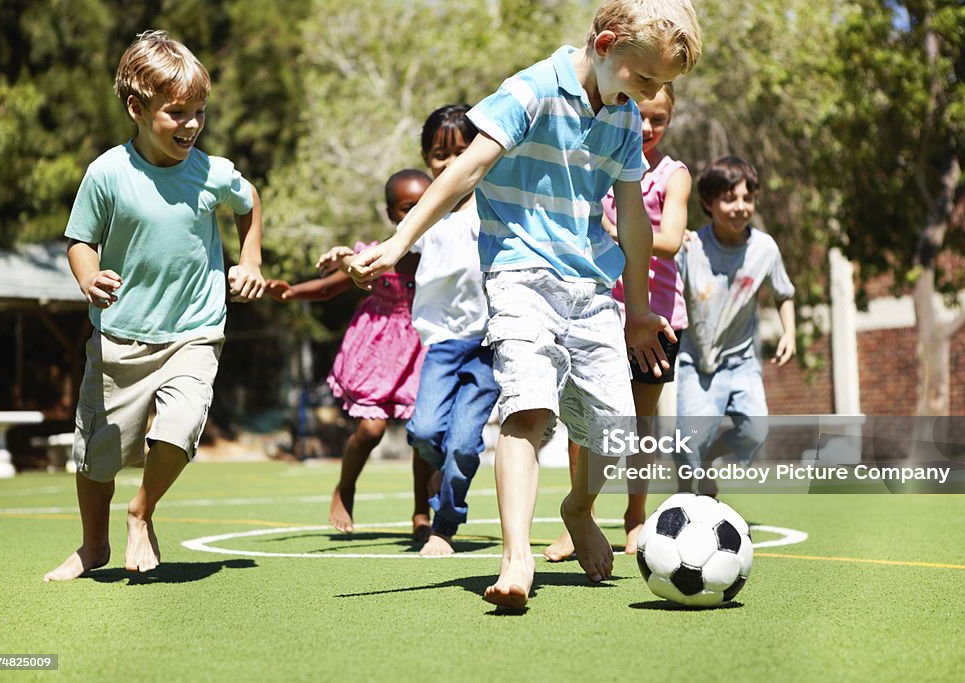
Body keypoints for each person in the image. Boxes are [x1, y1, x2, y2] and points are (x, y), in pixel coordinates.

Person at [348, 0, 702, 607]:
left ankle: (578, 507)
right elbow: (465, 171)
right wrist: (399, 240)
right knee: (528, 409)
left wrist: (639, 310)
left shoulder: (620, 117)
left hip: (592, 285)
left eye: (662, 86)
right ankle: (516, 557)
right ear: (606, 43)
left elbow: (637, 225)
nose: (651, 96)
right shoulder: (532, 90)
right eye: (645, 79)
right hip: (518, 275)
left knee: (612, 429)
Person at [45, 30, 265, 581]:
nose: (191, 125)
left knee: (181, 426)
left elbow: (250, 200)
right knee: (99, 456)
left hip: (195, 328)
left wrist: (251, 259)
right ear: (137, 109)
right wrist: (89, 278)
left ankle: (141, 511)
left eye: (200, 113)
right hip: (122, 334)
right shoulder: (107, 173)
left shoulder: (212, 172)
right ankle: (93, 546)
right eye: (177, 113)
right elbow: (79, 240)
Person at [328, 105, 500, 557]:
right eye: (441, 154)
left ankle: (443, 524)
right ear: (427, 158)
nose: (452, 162)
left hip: (487, 344)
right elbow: (391, 249)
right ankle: (434, 493)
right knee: (424, 433)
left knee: (464, 444)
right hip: (440, 344)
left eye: (463, 152)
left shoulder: (495, 206)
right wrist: (351, 258)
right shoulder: (427, 213)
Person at [545, 82, 691, 561]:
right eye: (641, 116)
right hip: (595, 311)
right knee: (583, 421)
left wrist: (611, 229)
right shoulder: (604, 166)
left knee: (641, 423)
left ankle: (635, 516)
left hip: (656, 318)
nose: (648, 128)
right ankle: (578, 519)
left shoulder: (673, 175)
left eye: (660, 119)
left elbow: (669, 239)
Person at [265, 170, 436, 540]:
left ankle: (421, 512)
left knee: (424, 433)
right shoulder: (378, 254)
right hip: (377, 348)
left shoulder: (440, 254)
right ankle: (346, 487)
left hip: (422, 347)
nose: (417, 214)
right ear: (392, 214)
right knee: (371, 428)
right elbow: (329, 288)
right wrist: (292, 293)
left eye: (425, 205)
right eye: (407, 208)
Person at [675, 155, 796, 496]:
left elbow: (783, 293)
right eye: (729, 199)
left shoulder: (765, 248)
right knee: (688, 446)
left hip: (742, 362)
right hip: (696, 362)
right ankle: (685, 501)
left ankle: (713, 455)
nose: (740, 207)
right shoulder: (691, 246)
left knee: (756, 431)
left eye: (747, 198)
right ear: (708, 203)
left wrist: (790, 332)